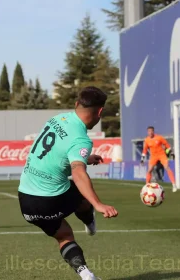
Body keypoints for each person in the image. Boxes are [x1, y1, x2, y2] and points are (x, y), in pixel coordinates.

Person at [18, 86, 118, 280]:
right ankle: (89, 219)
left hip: (25, 200)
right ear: (99, 112)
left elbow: (56, 149)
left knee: (64, 235)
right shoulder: (81, 139)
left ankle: (86, 274)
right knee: (81, 193)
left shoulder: (58, 119)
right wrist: (99, 204)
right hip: (49, 199)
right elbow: (78, 172)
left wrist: (85, 158)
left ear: (76, 104)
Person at [141, 126, 177, 192]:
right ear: (147, 132)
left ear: (153, 131)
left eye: (151, 131)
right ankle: (147, 186)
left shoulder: (159, 137)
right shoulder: (147, 140)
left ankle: (174, 185)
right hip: (153, 156)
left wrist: (171, 153)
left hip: (161, 155)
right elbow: (145, 150)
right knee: (149, 170)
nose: (150, 132)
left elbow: (166, 144)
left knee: (167, 167)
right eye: (149, 131)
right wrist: (142, 159)